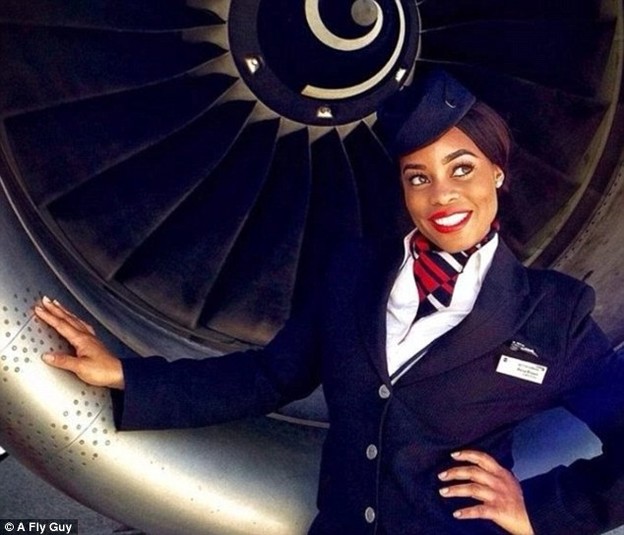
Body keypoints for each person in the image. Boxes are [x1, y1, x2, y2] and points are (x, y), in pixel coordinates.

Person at [34, 69, 624, 535]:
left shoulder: (555, 316)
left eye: (462, 168)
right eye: (418, 177)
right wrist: (125, 374)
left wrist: (540, 513)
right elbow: (267, 378)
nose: (441, 195)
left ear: (497, 172)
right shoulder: (354, 276)